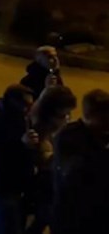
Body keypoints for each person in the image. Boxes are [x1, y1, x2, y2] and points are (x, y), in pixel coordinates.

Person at [0, 85, 37, 234]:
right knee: (6, 226)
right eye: (26, 105)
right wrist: (22, 144)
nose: (29, 109)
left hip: (15, 186)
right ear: (13, 103)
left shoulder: (22, 119)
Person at [51, 89, 109, 234]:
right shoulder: (69, 137)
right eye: (106, 117)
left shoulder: (101, 135)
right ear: (91, 115)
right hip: (74, 220)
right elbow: (74, 175)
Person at [25, 85, 76, 234]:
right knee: (42, 218)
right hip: (44, 188)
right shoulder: (40, 132)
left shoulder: (59, 129)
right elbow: (44, 162)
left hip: (52, 186)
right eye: (63, 115)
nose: (67, 118)